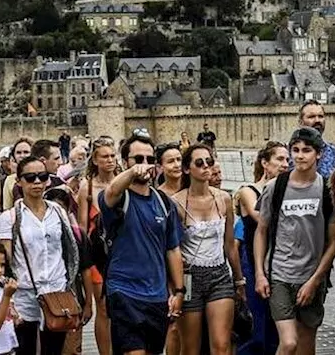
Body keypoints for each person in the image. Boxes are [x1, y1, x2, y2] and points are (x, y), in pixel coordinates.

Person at [255, 127, 335, 355]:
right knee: (289, 342)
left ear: (319, 154)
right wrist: (260, 273)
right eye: (295, 150)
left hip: (311, 276)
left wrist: (315, 280)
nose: (300, 155)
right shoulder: (276, 187)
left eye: (306, 150)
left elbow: (333, 242)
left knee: (305, 347)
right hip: (280, 275)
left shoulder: (327, 190)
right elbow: (261, 231)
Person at [98, 132, 185, 355]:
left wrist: (178, 291)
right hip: (124, 291)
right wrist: (130, 173)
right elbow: (112, 190)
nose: (144, 165)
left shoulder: (164, 203)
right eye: (138, 159)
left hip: (156, 295)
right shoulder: (118, 199)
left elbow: (173, 249)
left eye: (149, 159)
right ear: (125, 162)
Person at [0, 156, 86, 355]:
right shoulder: (9, 217)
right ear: (19, 181)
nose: (37, 182)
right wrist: (8, 298)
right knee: (25, 348)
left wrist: (72, 285)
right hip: (25, 295)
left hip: (57, 291)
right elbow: (5, 260)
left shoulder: (58, 212)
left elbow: (68, 250)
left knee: (54, 349)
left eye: (42, 176)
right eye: (30, 177)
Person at [174, 143, 243, 355]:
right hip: (189, 278)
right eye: (199, 163)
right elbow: (172, 248)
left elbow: (230, 244)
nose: (206, 167)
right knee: (191, 348)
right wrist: (175, 287)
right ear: (187, 169)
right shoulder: (175, 203)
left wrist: (239, 280)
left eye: (209, 162)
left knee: (222, 345)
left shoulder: (223, 198)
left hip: (219, 274)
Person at [235, 141, 289, 355]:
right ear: (265, 163)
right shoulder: (248, 191)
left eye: (287, 159)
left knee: (278, 327)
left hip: (280, 262)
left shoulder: (288, 191)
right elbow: (262, 218)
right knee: (259, 327)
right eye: (279, 159)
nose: (285, 164)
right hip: (254, 261)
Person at [78, 136, 119, 355]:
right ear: (95, 159)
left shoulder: (123, 182)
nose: (110, 160)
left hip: (121, 253)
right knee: (102, 308)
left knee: (120, 307)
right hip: (97, 255)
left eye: (113, 156)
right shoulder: (88, 187)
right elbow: (83, 227)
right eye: (105, 156)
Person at [297, 101, 335, 179]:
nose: (317, 120)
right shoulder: (291, 153)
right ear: (301, 122)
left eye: (320, 116)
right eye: (311, 117)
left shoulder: (333, 152)